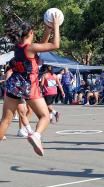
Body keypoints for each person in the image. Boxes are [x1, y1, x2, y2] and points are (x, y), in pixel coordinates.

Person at [0, 14, 60, 156]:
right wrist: (56, 26)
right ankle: (36, 135)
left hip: (14, 84)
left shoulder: (18, 47)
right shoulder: (30, 48)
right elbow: (55, 45)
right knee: (45, 116)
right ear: (31, 33)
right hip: (29, 85)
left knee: (6, 120)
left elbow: (42, 45)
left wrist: (48, 30)